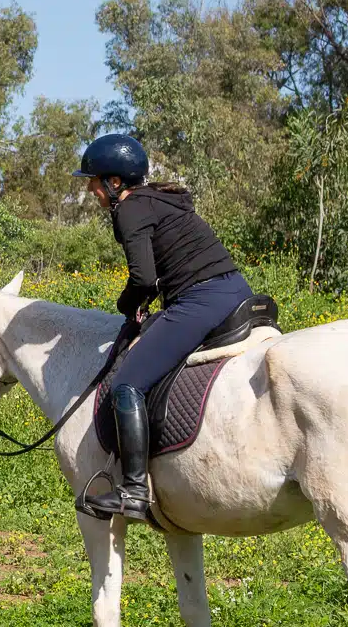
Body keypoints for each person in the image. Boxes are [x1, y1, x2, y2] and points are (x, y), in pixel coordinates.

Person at [74, 131, 253, 525]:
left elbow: (143, 279)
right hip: (235, 290)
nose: (90, 190)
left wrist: (126, 305)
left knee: (127, 384)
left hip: (201, 301)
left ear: (114, 182)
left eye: (93, 181)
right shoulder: (160, 198)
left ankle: (135, 490)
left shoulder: (129, 210)